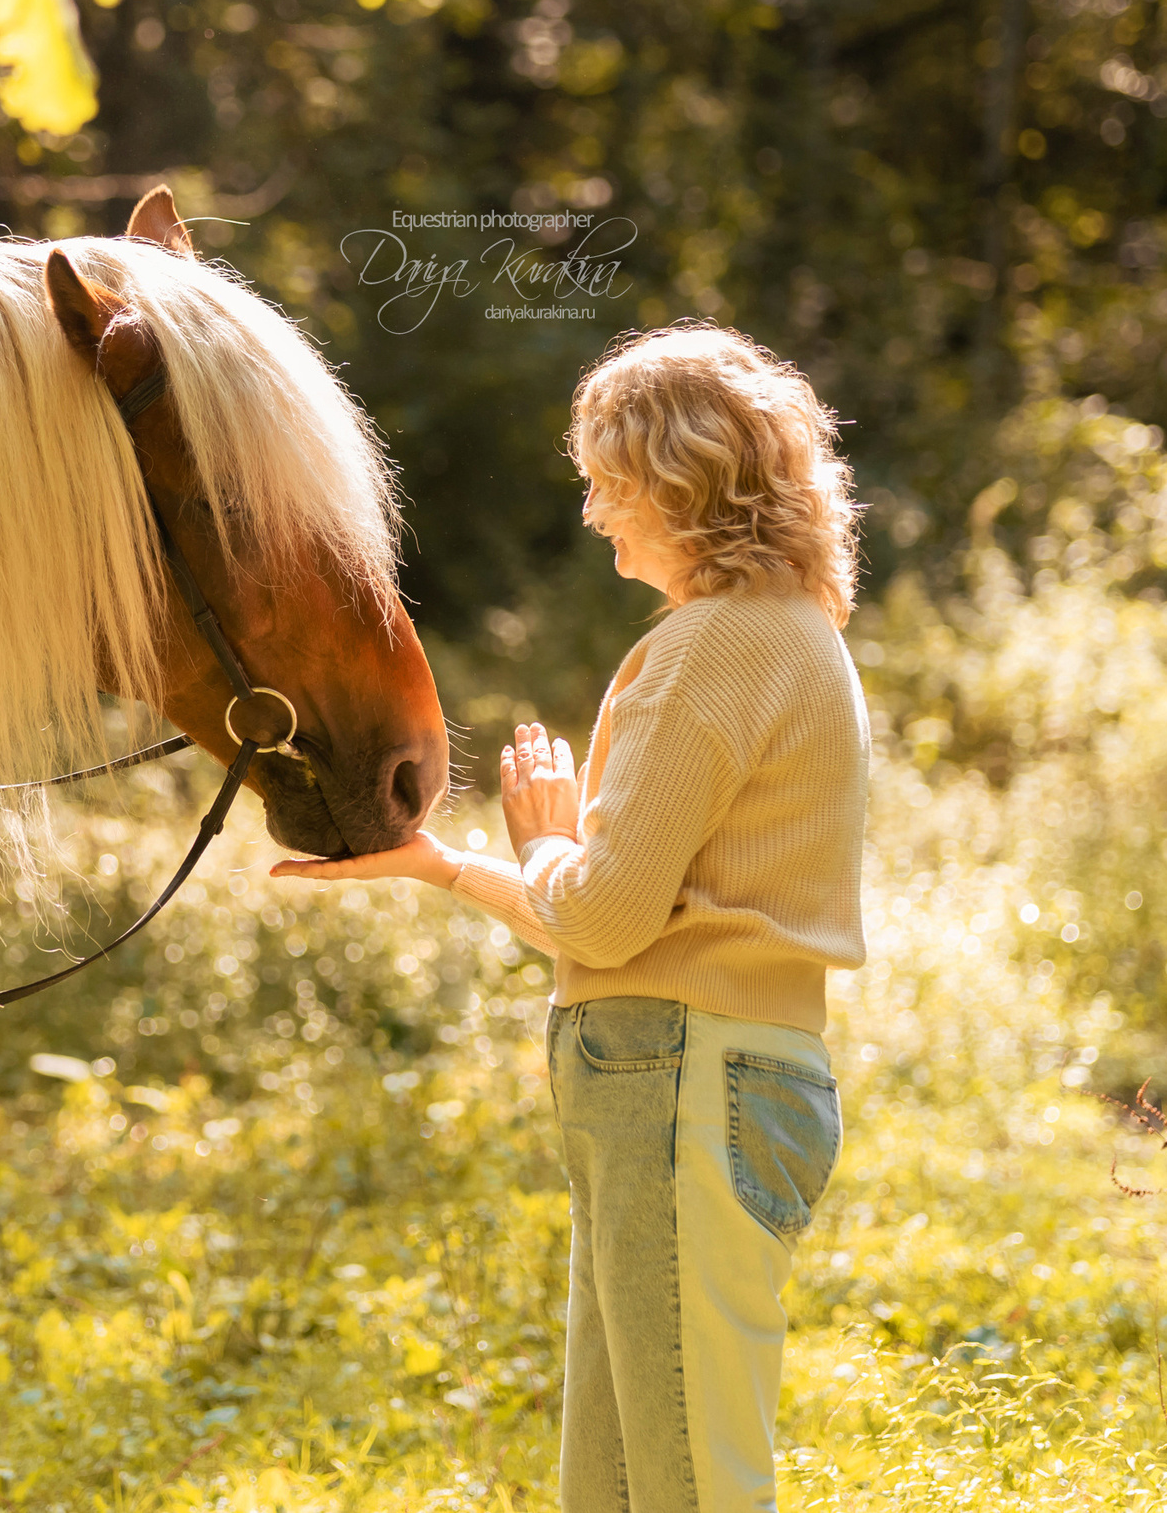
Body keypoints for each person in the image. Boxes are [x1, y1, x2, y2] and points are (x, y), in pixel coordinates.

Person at [273, 322, 868, 1513]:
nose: (594, 511)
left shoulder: (707, 651)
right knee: (619, 1482)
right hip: (714, 1075)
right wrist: (445, 861)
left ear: (681, 486)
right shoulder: (792, 636)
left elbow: (598, 917)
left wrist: (535, 844)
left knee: (689, 1484)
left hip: (683, 1082)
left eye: (608, 481)